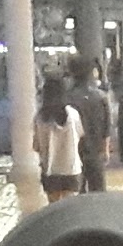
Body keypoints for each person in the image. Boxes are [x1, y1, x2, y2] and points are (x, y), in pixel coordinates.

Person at [35, 73, 85, 202]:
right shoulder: (73, 114)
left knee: (55, 209)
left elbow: (36, 146)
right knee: (70, 208)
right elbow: (80, 135)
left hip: (50, 171)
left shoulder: (40, 117)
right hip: (71, 169)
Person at [66, 55, 110, 193]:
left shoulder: (67, 97)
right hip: (96, 151)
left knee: (78, 191)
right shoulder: (101, 97)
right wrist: (106, 149)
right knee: (98, 191)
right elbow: (106, 127)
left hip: (74, 152)